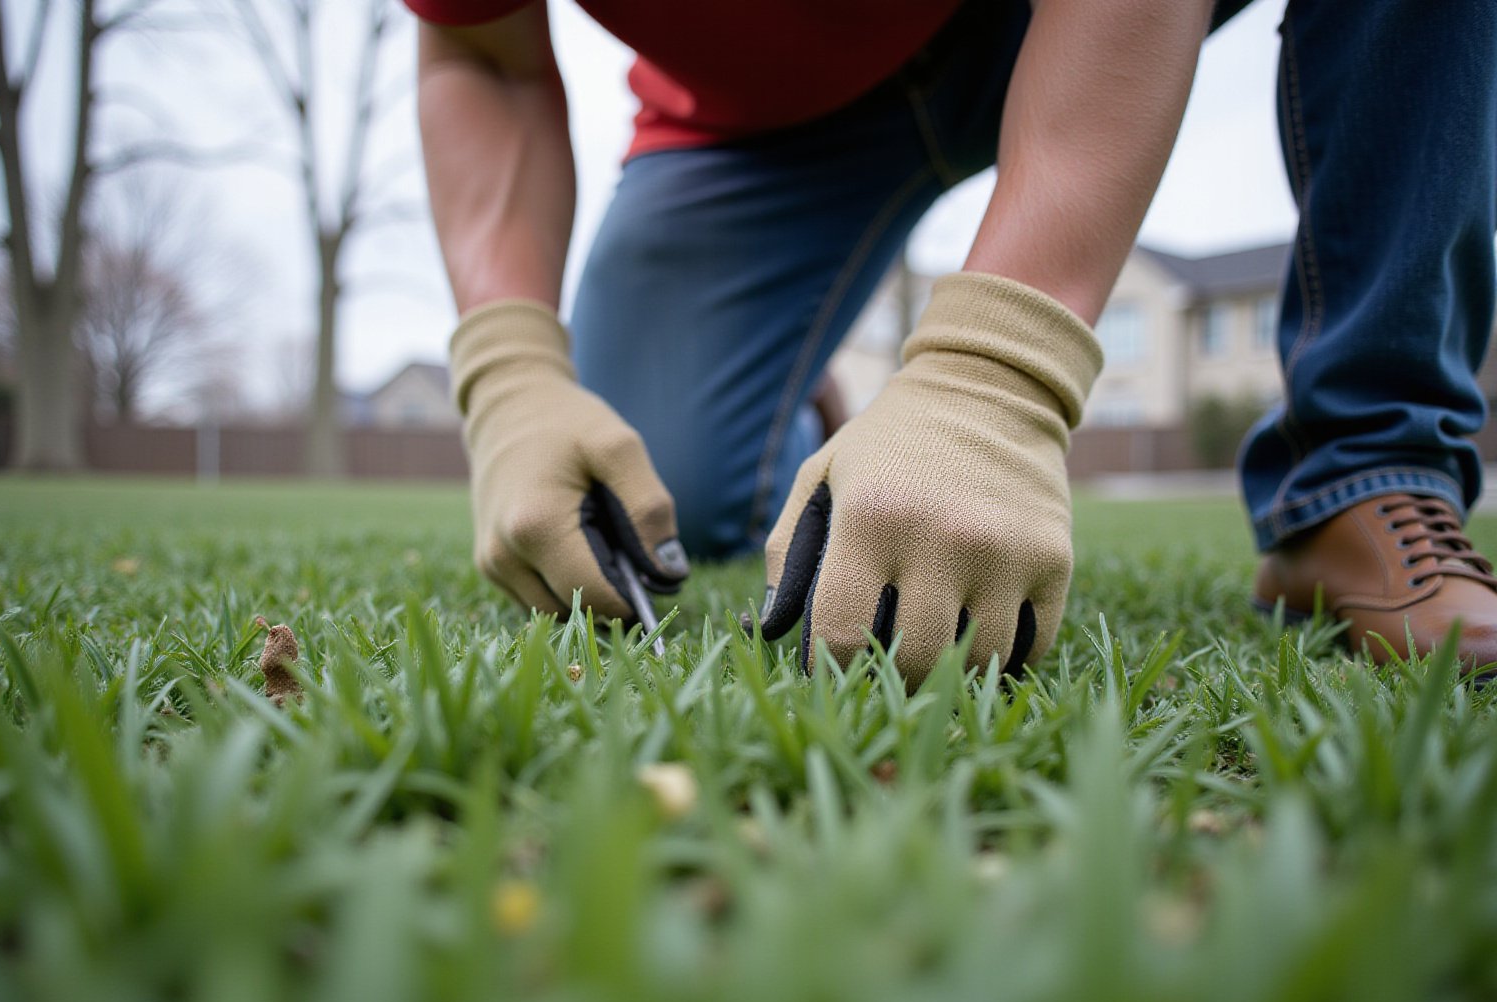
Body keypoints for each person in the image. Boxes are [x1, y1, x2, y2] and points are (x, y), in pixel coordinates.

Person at [411, 0, 1497, 687]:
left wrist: (995, 375)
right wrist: (509, 374)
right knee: (653, 489)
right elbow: (483, 53)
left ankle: (1366, 467)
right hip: (761, 126)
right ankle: (821, 417)